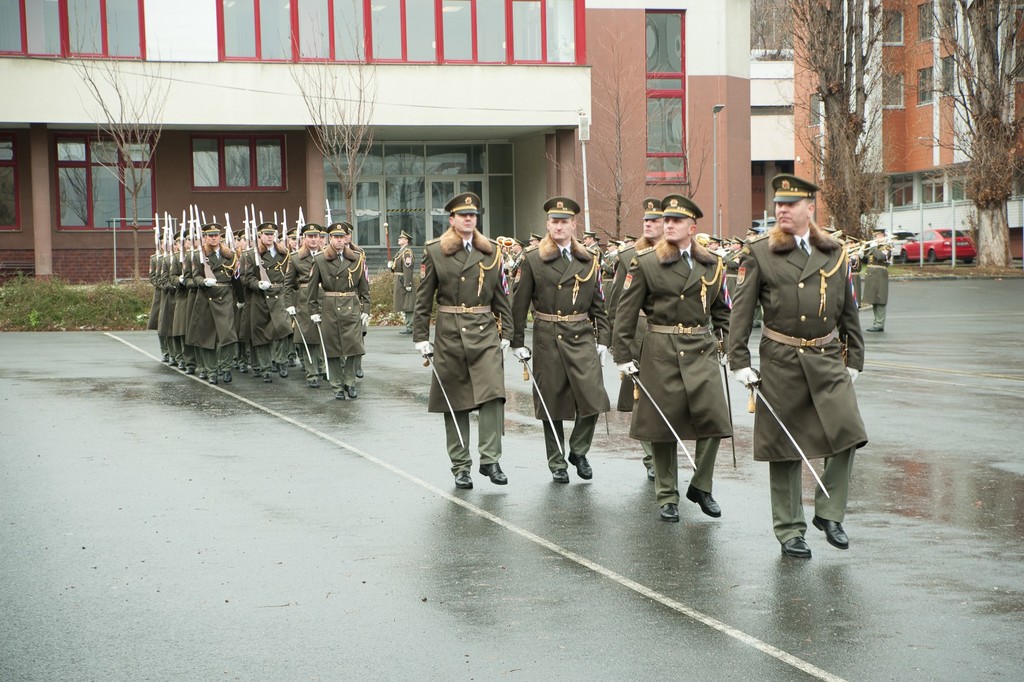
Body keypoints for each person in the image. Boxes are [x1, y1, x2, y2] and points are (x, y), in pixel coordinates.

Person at [727, 173, 867, 559]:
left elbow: (848, 308)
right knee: (784, 447)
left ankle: (829, 513)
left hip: (826, 357)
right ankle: (790, 529)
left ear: (810, 208)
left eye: (790, 204)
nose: (782, 210)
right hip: (782, 360)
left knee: (848, 432)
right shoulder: (760, 252)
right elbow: (742, 311)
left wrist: (855, 357)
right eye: (778, 204)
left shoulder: (834, 252)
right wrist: (739, 361)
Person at [613, 195, 732, 522]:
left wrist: (728, 346)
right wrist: (622, 354)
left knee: (715, 420)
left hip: (701, 347)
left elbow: (723, 310)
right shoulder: (646, 262)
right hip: (661, 349)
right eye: (666, 220)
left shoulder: (712, 263)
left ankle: (701, 486)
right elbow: (625, 312)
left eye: (676, 221)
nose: (668, 225)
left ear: (692, 227)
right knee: (662, 426)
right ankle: (667, 495)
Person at [413, 192, 513, 489]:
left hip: (485, 332)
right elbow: (423, 298)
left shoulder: (491, 251)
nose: (469, 219)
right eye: (463, 215)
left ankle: (490, 459)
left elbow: (502, 296)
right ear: (452, 220)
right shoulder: (435, 251)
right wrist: (421, 337)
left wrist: (508, 333)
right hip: (450, 333)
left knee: (493, 394)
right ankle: (461, 466)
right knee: (454, 401)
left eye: (473, 215)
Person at [511, 197, 611, 484]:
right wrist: (517, 341)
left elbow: (599, 303)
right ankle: (557, 462)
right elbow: (519, 303)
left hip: (581, 334)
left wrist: (604, 339)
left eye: (564, 222)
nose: (559, 226)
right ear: (547, 224)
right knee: (551, 402)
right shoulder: (532, 258)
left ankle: (578, 450)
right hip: (548, 335)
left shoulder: (588, 259)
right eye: (554, 222)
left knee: (594, 398)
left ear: (573, 224)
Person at [607, 198, 665, 481]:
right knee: (643, 398)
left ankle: (665, 453)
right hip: (640, 333)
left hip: (673, 336)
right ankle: (651, 456)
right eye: (646, 220)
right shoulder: (629, 255)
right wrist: (615, 340)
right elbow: (617, 302)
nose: (648, 224)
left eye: (655, 220)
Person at [306, 222, 370, 400]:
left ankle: (349, 381)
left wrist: (366, 308)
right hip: (330, 306)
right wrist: (313, 310)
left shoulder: (357, 258)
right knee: (332, 349)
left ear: (346, 238)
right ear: (330, 238)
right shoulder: (320, 259)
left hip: (351, 304)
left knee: (356, 347)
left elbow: (364, 286)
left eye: (342, 237)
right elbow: (312, 288)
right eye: (336, 237)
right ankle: (337, 387)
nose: (339, 241)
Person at [187, 223, 240, 384]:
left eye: (216, 235)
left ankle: (225, 367)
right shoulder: (199, 256)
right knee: (207, 337)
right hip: (206, 297)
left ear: (220, 237)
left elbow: (236, 279)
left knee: (228, 334)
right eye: (210, 236)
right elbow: (195, 276)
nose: (214, 238)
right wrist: (204, 281)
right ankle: (211, 371)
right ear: (205, 238)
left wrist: (241, 299)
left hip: (225, 295)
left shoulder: (230, 255)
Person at [242, 222, 293, 382]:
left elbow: (289, 276)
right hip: (260, 298)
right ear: (260, 236)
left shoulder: (284, 253)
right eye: (267, 234)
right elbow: (245, 277)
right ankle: (265, 368)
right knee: (261, 334)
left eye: (272, 234)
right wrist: (257, 284)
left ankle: (281, 361)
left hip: (278, 295)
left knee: (283, 328)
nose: (270, 237)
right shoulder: (251, 255)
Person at [285, 223, 325, 387]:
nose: (313, 240)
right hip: (305, 300)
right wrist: (289, 304)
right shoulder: (296, 258)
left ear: (320, 238)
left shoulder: (327, 255)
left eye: (316, 236)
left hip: (325, 299)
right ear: (304, 239)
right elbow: (288, 284)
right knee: (309, 337)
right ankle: (312, 374)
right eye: (310, 237)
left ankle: (324, 367)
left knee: (326, 336)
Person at [862, 228, 891, 332]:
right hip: (872, 276)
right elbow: (866, 260)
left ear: (883, 236)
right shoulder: (874, 248)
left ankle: (879, 324)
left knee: (880, 300)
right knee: (874, 300)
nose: (876, 238)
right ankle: (876, 323)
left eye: (878, 236)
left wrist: (874, 248)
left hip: (880, 276)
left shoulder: (886, 247)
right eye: (875, 236)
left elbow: (881, 257)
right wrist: (861, 253)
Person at [388, 229, 416, 334]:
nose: (399, 239)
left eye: (401, 238)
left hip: (404, 280)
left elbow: (407, 268)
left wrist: (407, 283)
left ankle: (410, 326)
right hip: (399, 279)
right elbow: (397, 266)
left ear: (406, 240)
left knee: (408, 304)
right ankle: (409, 325)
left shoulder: (407, 252)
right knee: (404, 303)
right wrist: (391, 266)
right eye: (399, 237)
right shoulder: (401, 251)